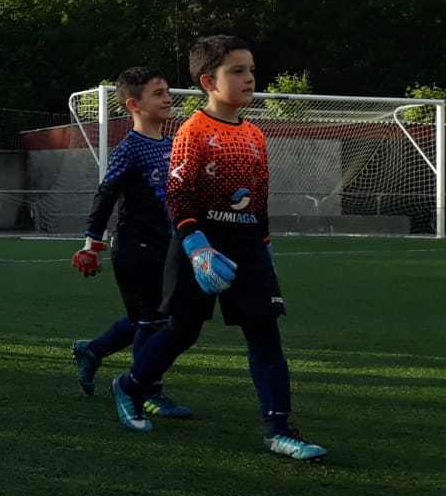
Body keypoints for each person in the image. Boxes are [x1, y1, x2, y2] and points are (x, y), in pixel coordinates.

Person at [109, 35, 327, 460]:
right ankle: (129, 386)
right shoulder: (193, 131)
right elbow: (178, 196)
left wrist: (264, 248)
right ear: (208, 81)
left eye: (251, 70)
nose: (249, 79)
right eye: (237, 71)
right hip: (199, 243)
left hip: (247, 246)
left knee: (264, 331)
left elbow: (258, 200)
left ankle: (279, 430)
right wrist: (197, 247)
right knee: (182, 330)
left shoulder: (255, 136)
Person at [69, 67, 190, 418]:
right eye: (158, 93)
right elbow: (105, 194)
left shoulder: (172, 144)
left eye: (167, 91)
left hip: (168, 246)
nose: (167, 98)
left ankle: (93, 351)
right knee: (154, 321)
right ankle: (148, 391)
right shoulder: (130, 149)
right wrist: (91, 243)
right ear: (134, 104)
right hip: (136, 248)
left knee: (145, 318)